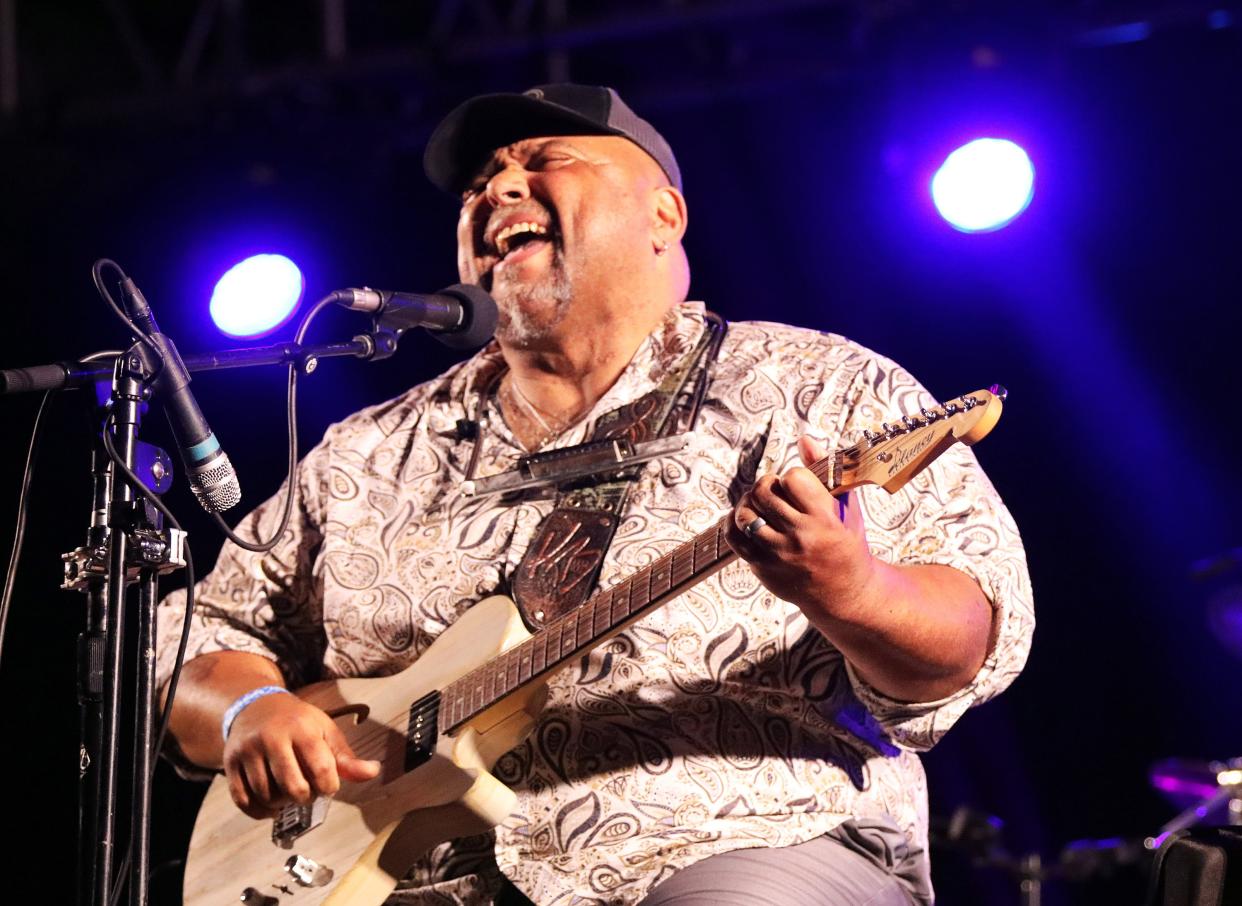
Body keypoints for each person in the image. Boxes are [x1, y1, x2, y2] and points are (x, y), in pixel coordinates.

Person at [157, 84, 1033, 906]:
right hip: (408, 878)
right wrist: (248, 708)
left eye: (544, 160)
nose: (499, 185)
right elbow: (194, 637)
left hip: (737, 837)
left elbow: (973, 637)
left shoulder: (819, 388)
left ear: (664, 214)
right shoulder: (369, 450)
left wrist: (853, 588)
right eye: (479, 181)